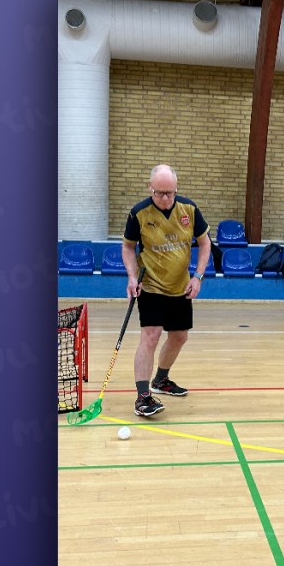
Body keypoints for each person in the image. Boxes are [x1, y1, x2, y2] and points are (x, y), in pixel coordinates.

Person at [120, 164, 211, 417]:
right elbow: (128, 247)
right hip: (150, 284)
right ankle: (142, 397)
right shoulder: (138, 213)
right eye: (160, 193)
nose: (165, 198)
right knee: (151, 335)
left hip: (180, 287)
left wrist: (198, 277)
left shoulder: (189, 210)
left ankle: (161, 380)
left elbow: (205, 244)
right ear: (150, 188)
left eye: (170, 193)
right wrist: (130, 277)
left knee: (180, 336)